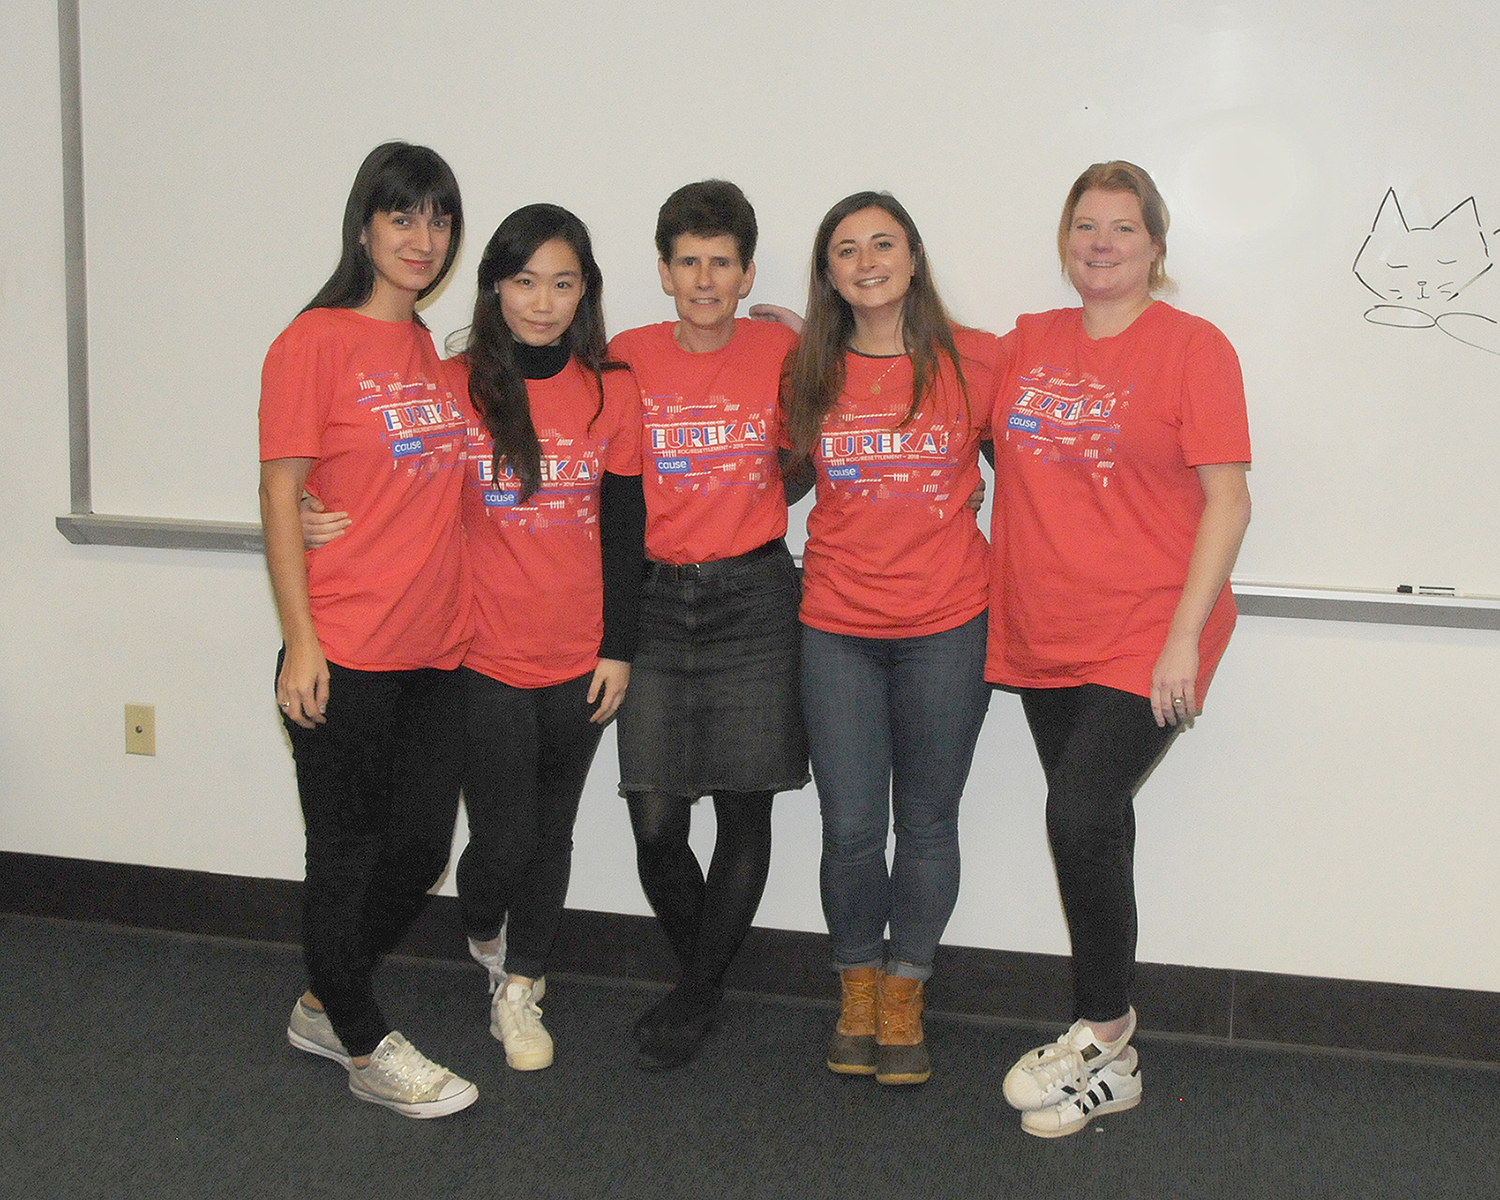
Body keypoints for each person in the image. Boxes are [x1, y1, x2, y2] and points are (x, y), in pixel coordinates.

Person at [987, 161, 1252, 1137]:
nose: (1101, 244)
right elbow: (915, 369)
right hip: (1047, 620)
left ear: (1157, 246)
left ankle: (1100, 1030)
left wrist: (1184, 638)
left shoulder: (1192, 348)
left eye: (1123, 229)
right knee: (1094, 828)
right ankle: (1116, 1070)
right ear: (1066, 240)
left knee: (1081, 809)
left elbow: (1229, 496)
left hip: (1153, 625)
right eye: (1086, 227)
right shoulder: (1026, 343)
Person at [260, 141, 478, 1118]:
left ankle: (322, 994)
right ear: (364, 227)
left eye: (437, 218)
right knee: (344, 851)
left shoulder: (430, 350)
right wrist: (299, 640)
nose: (422, 238)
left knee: (420, 843)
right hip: (343, 646)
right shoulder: (314, 340)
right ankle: (357, 1036)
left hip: (433, 647)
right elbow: (278, 488)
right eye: (403, 217)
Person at [781, 191, 1000, 1086]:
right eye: (845, 249)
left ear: (914, 257)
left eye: (883, 243)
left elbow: (1056, 470)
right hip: (836, 627)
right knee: (850, 829)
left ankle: (906, 990)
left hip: (949, 625)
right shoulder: (804, 368)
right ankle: (857, 991)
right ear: (828, 272)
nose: (866, 261)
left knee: (928, 824)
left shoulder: (979, 362)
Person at [607, 180, 810, 1070]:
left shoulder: (781, 350)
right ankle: (709, 978)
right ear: (662, 271)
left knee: (743, 808)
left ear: (746, 271)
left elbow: (808, 457)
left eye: (720, 263)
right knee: (655, 822)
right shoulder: (625, 357)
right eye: (687, 262)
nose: (703, 279)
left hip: (755, 600)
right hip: (651, 603)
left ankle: (693, 998)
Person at [450, 203, 644, 1072]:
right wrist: (312, 509)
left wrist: (620, 648)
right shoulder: (453, 385)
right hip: (480, 652)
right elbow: (394, 489)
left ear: (585, 293)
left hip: (580, 655)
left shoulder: (612, 389)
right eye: (525, 280)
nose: (542, 301)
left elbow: (625, 527)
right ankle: (484, 926)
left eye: (563, 283)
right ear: (496, 285)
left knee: (553, 830)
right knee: (500, 842)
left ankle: (521, 986)